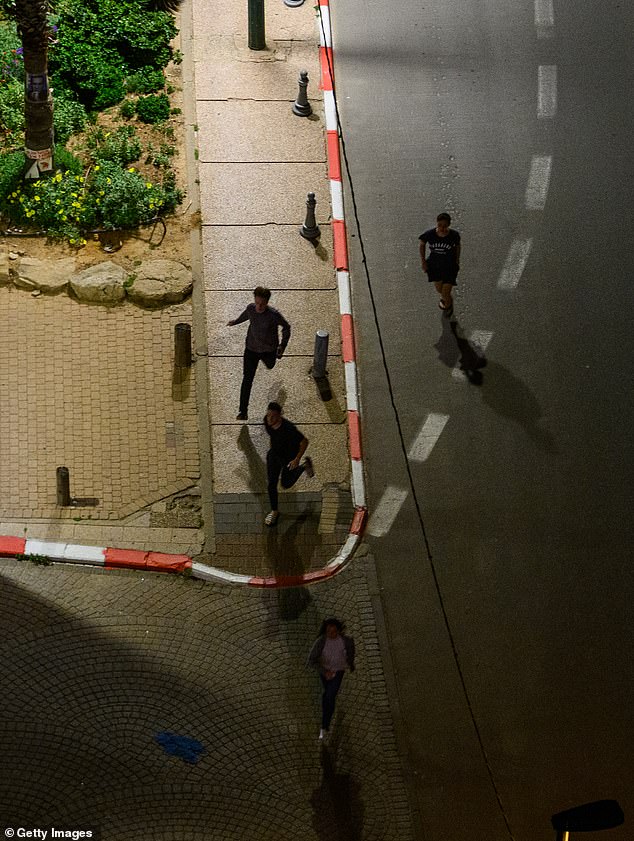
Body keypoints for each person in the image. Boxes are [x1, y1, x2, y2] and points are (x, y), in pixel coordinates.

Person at [227, 286, 291, 421]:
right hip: (251, 349)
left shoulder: (273, 315)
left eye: (262, 304)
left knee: (270, 365)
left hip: (269, 350)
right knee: (247, 380)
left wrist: (282, 346)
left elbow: (286, 327)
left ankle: (272, 360)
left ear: (267, 303)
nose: (259, 307)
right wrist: (235, 322)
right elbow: (246, 315)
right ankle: (243, 411)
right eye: (257, 303)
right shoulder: (251, 308)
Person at [263, 402, 314, 526]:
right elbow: (272, 435)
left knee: (286, 483)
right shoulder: (267, 421)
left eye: (273, 416)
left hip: (289, 457)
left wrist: (296, 459)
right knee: (271, 484)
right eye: (268, 415)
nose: (270, 419)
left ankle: (304, 466)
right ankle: (274, 511)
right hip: (274, 455)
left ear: (279, 416)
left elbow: (304, 442)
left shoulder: (289, 428)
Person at [308, 618, 356, 741]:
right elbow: (312, 660)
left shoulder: (346, 641)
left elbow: (351, 653)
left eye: (334, 631)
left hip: (338, 672)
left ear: (338, 631)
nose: (332, 634)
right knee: (327, 695)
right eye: (329, 631)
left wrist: (350, 664)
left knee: (329, 695)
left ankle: (325, 726)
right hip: (325, 672)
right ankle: (326, 719)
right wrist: (325, 672)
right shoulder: (321, 642)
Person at [419, 212, 461, 316]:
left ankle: (448, 305)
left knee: (445, 292)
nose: (442, 228)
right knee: (439, 290)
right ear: (437, 223)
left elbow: (458, 246)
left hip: (449, 266)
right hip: (435, 266)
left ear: (449, 225)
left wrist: (457, 259)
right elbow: (422, 244)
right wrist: (423, 261)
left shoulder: (454, 235)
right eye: (440, 225)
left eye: (445, 226)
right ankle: (447, 299)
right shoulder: (430, 234)